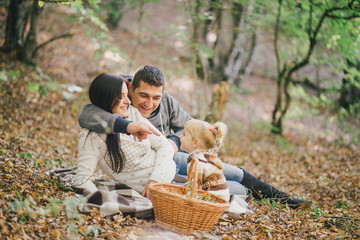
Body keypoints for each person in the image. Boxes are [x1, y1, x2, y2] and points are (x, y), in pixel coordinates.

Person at [78, 65, 310, 209]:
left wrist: (175, 141)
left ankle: (282, 198)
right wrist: (127, 126)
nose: (149, 103)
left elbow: (189, 125)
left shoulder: (166, 102)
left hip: (173, 155)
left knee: (235, 173)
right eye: (143, 96)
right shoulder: (120, 94)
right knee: (232, 187)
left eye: (156, 97)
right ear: (130, 88)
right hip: (156, 164)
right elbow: (89, 113)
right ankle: (240, 192)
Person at [73, 73, 176, 198]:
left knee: (201, 164)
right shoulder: (92, 137)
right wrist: (102, 199)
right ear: (106, 97)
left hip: (168, 169)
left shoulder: (131, 113)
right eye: (121, 97)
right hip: (163, 189)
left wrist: (155, 180)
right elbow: (82, 179)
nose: (128, 101)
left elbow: (165, 145)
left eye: (127, 95)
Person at [180, 119, 230, 202]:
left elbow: (194, 192)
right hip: (219, 200)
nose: (180, 136)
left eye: (184, 134)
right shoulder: (207, 157)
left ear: (196, 143)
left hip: (213, 203)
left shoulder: (198, 163)